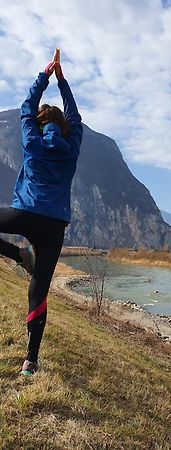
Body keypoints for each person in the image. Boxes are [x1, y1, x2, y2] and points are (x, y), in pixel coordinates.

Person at [0, 54, 83, 375]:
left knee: (32, 276)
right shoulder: (72, 145)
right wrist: (62, 80)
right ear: (63, 128)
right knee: (38, 292)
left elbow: (25, 106)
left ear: (38, 123)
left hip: (25, 213)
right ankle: (30, 362)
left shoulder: (32, 140)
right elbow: (75, 116)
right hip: (54, 227)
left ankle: (18, 254)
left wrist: (45, 75)